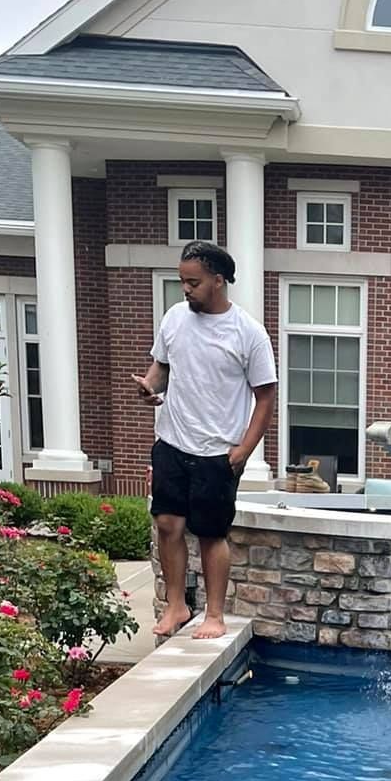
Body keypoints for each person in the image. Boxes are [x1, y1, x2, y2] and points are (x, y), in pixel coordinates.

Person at [130, 241, 277, 640]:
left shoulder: (248, 333)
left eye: (193, 282)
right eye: (182, 282)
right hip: (172, 440)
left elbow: (266, 396)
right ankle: (177, 606)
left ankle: (214, 614)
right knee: (166, 523)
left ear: (218, 280)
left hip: (217, 450)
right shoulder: (175, 318)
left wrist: (244, 450)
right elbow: (162, 366)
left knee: (212, 534)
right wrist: (149, 386)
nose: (186, 289)